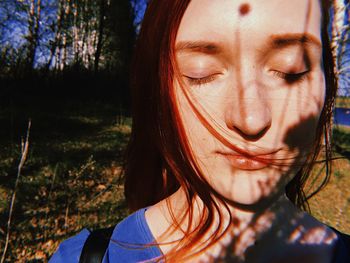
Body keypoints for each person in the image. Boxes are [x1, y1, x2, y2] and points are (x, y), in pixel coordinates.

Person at [50, 0, 350, 262]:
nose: (251, 119)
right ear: (159, 90)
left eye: (290, 71)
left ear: (327, 81)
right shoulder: (83, 258)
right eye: (201, 72)